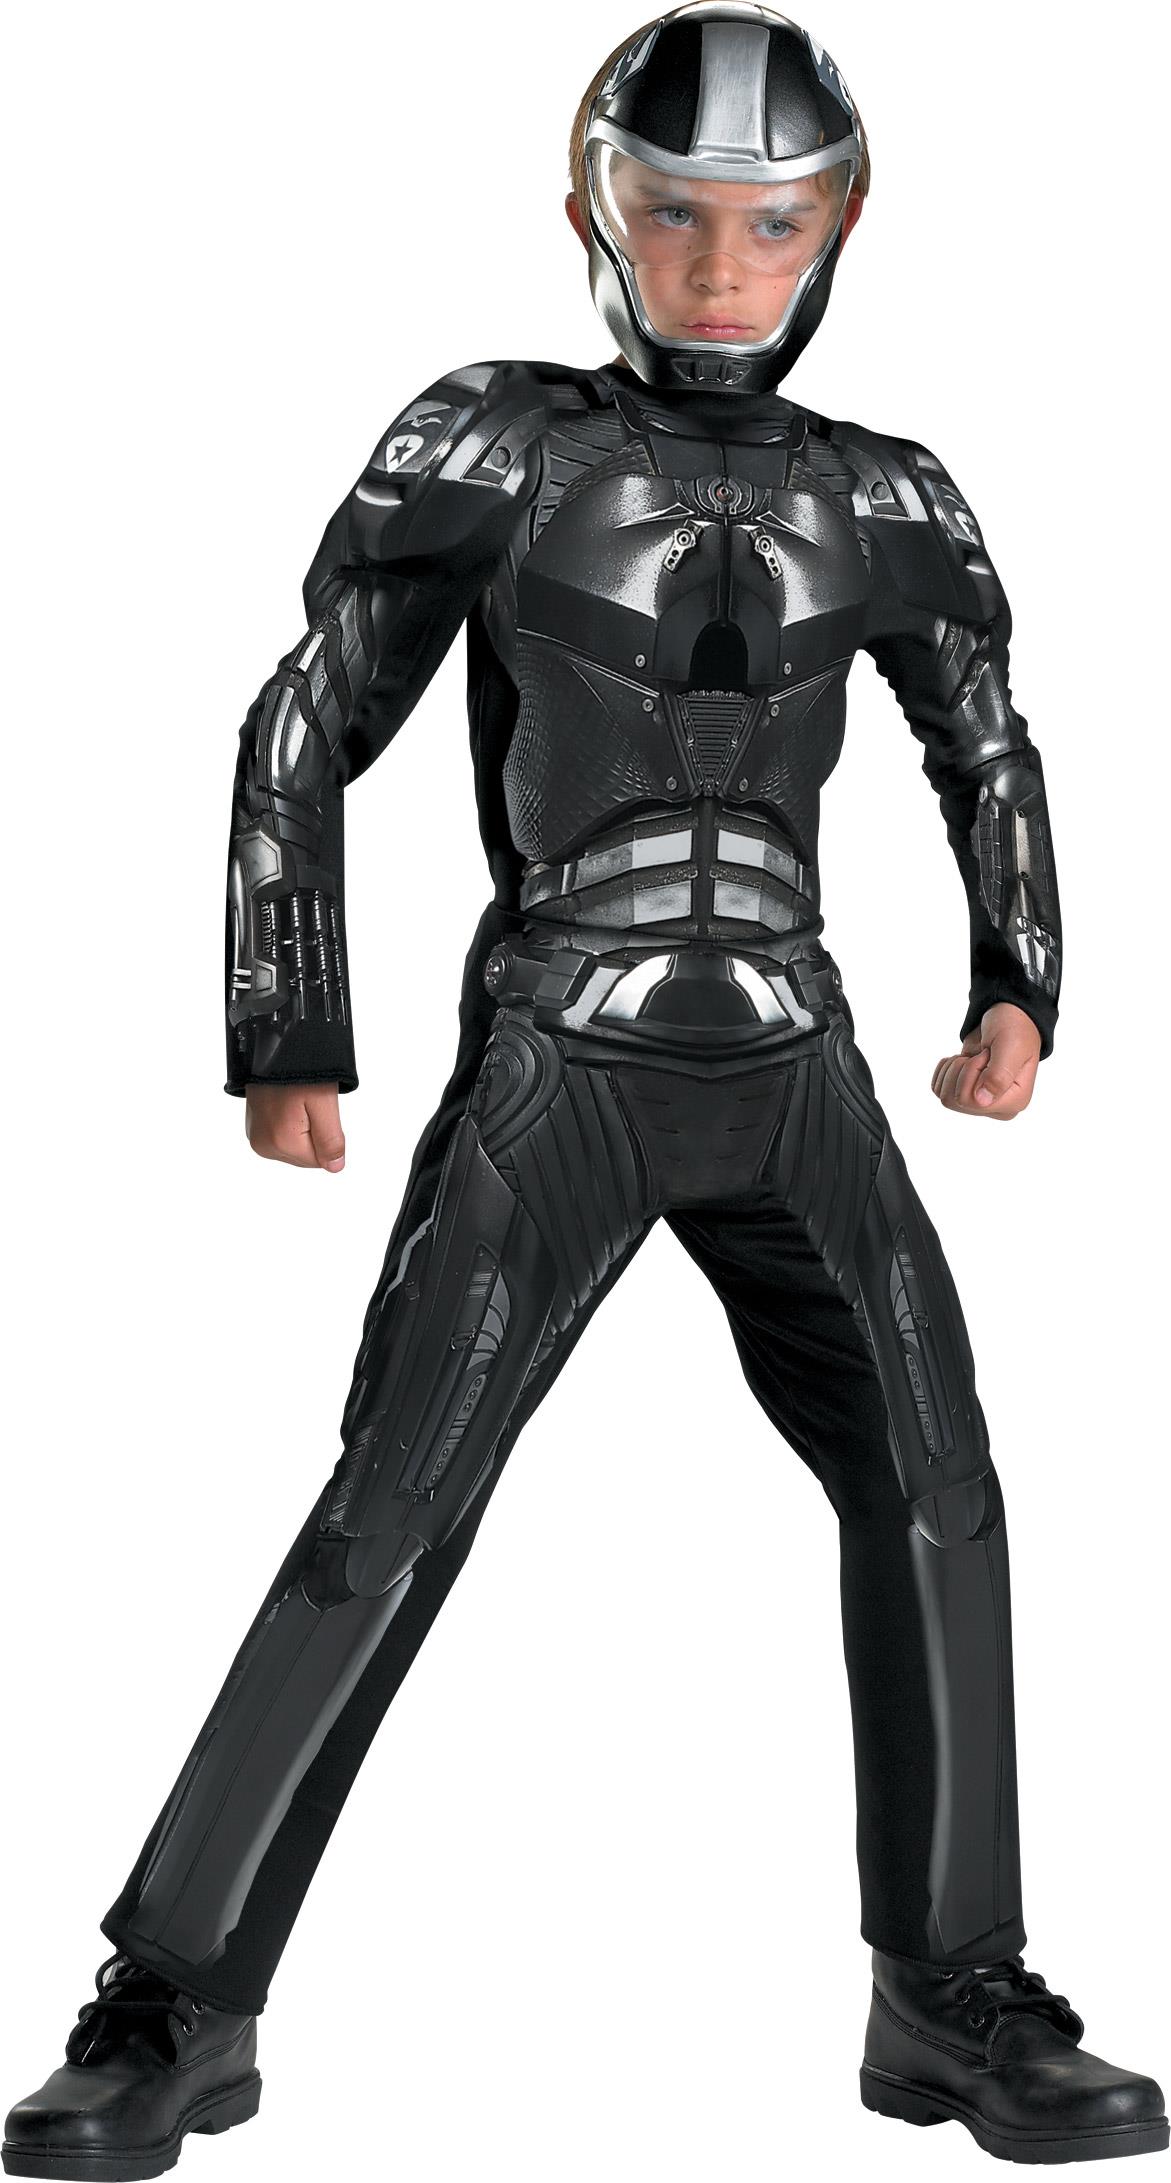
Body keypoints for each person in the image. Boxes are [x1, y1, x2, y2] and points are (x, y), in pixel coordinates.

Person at [4, 4, 1166, 2174]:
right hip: (562, 1053)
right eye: (676, 213)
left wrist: (1023, 988)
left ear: (841, 226)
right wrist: (291, 1025)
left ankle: (952, 1991)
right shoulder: (494, 441)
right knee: (392, 1506)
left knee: (939, 1491)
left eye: (768, 222)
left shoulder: (886, 491)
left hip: (800, 1060)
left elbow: (988, 741)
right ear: (592, 213)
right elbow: (303, 724)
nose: (721, 267)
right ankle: (176, 2001)